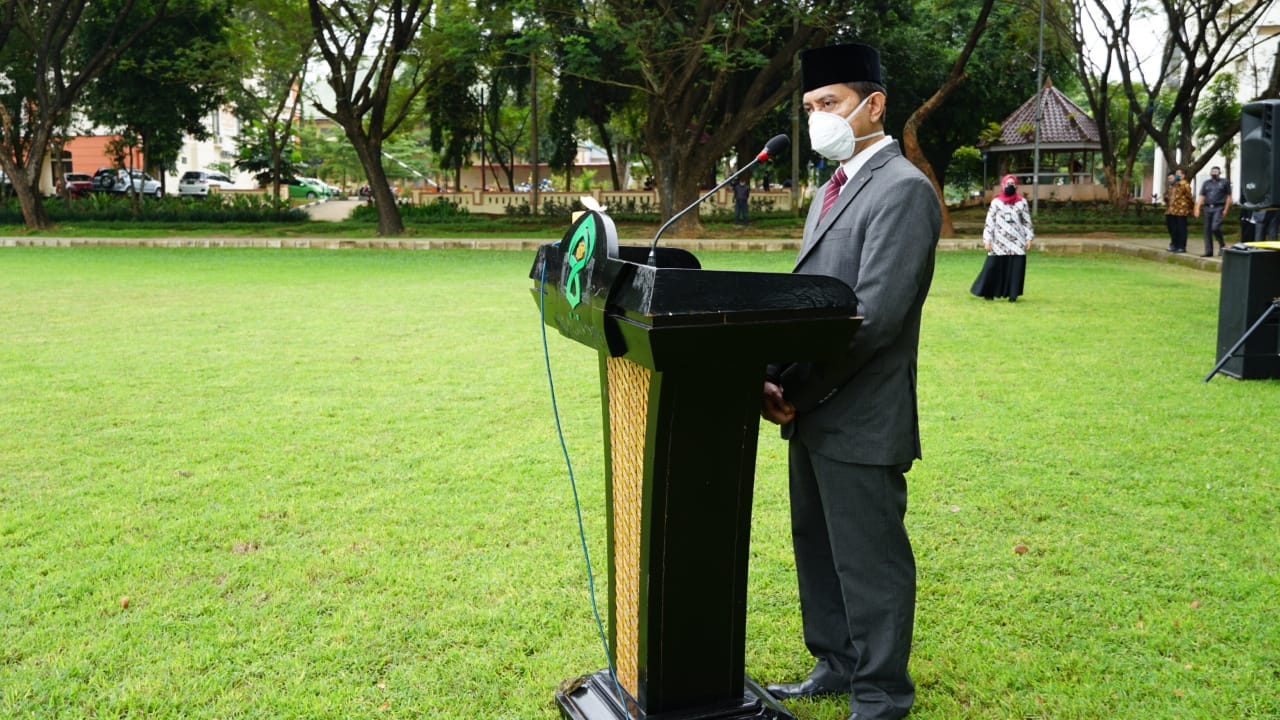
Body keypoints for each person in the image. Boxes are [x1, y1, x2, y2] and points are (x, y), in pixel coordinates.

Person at [760, 42, 941, 720]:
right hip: (810, 411)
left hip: (861, 414)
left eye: (828, 104)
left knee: (870, 561)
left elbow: (874, 318)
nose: (818, 119)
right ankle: (835, 664)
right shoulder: (832, 188)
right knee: (818, 548)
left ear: (874, 104)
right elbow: (808, 300)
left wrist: (795, 390)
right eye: (809, 108)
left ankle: (881, 691)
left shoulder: (902, 190)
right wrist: (768, 375)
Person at [969, 174, 1033, 302]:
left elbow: (1026, 222)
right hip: (998, 241)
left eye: (1012, 184)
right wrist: (987, 239)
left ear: (1016, 186)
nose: (1010, 186)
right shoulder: (996, 202)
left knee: (1016, 268)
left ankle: (1013, 295)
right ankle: (988, 292)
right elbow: (990, 222)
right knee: (993, 266)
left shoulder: (1022, 202)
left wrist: (1029, 238)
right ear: (1002, 185)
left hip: (1017, 241)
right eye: (1007, 183)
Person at [1195, 166, 1232, 256]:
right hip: (1207, 207)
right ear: (1210, 173)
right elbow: (1202, 196)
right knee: (1207, 230)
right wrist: (1197, 208)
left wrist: (1226, 209)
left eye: (1216, 171)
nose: (1214, 173)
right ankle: (1208, 251)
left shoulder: (1225, 182)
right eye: (1213, 171)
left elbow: (1229, 197)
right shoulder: (1206, 183)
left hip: (1219, 207)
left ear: (1219, 173)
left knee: (1215, 227)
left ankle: (1222, 244)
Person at [1164, 169, 1193, 253]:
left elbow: (1189, 197)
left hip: (1181, 210)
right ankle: (1174, 244)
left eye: (1178, 174)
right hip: (1171, 210)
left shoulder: (1185, 185)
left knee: (1181, 229)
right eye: (1176, 174)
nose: (1176, 176)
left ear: (1183, 175)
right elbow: (1169, 196)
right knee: (1172, 228)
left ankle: (1181, 246)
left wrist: (1191, 208)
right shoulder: (1173, 185)